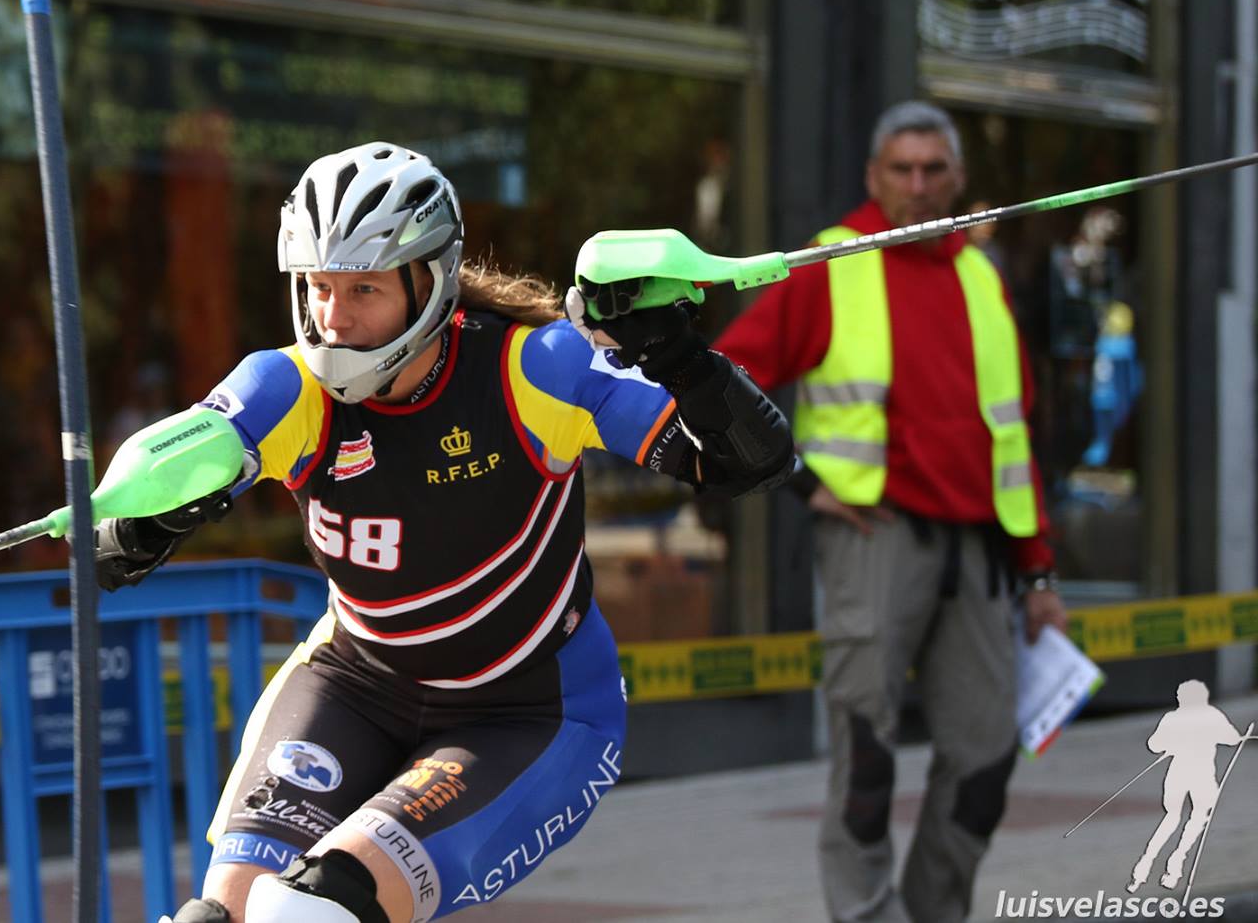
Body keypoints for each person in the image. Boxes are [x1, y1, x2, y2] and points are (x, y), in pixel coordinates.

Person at [96, 141, 798, 923]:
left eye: (364, 287)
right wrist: (134, 521)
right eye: (319, 286)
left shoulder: (535, 370)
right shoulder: (286, 386)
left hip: (527, 715)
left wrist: (683, 361)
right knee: (222, 916)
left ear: (428, 281)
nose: (334, 316)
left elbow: (752, 464)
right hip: (352, 685)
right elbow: (159, 475)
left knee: (314, 909)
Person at [712, 101, 1069, 923]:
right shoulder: (832, 262)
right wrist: (795, 477)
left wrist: (1039, 571)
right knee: (867, 762)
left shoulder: (981, 275)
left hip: (981, 551)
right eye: (901, 169)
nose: (917, 184)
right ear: (874, 176)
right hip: (874, 536)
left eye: (933, 169)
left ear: (957, 178)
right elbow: (726, 374)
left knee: (986, 760)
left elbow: (1015, 435)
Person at [1131, 680, 1252, 893]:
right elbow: (1232, 739)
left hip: (1180, 773)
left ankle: (1147, 864)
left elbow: (1153, 744)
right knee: (1198, 815)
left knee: (1173, 817)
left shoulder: (1173, 718)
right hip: (1201, 774)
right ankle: (1175, 862)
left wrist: (1170, 744)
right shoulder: (1211, 715)